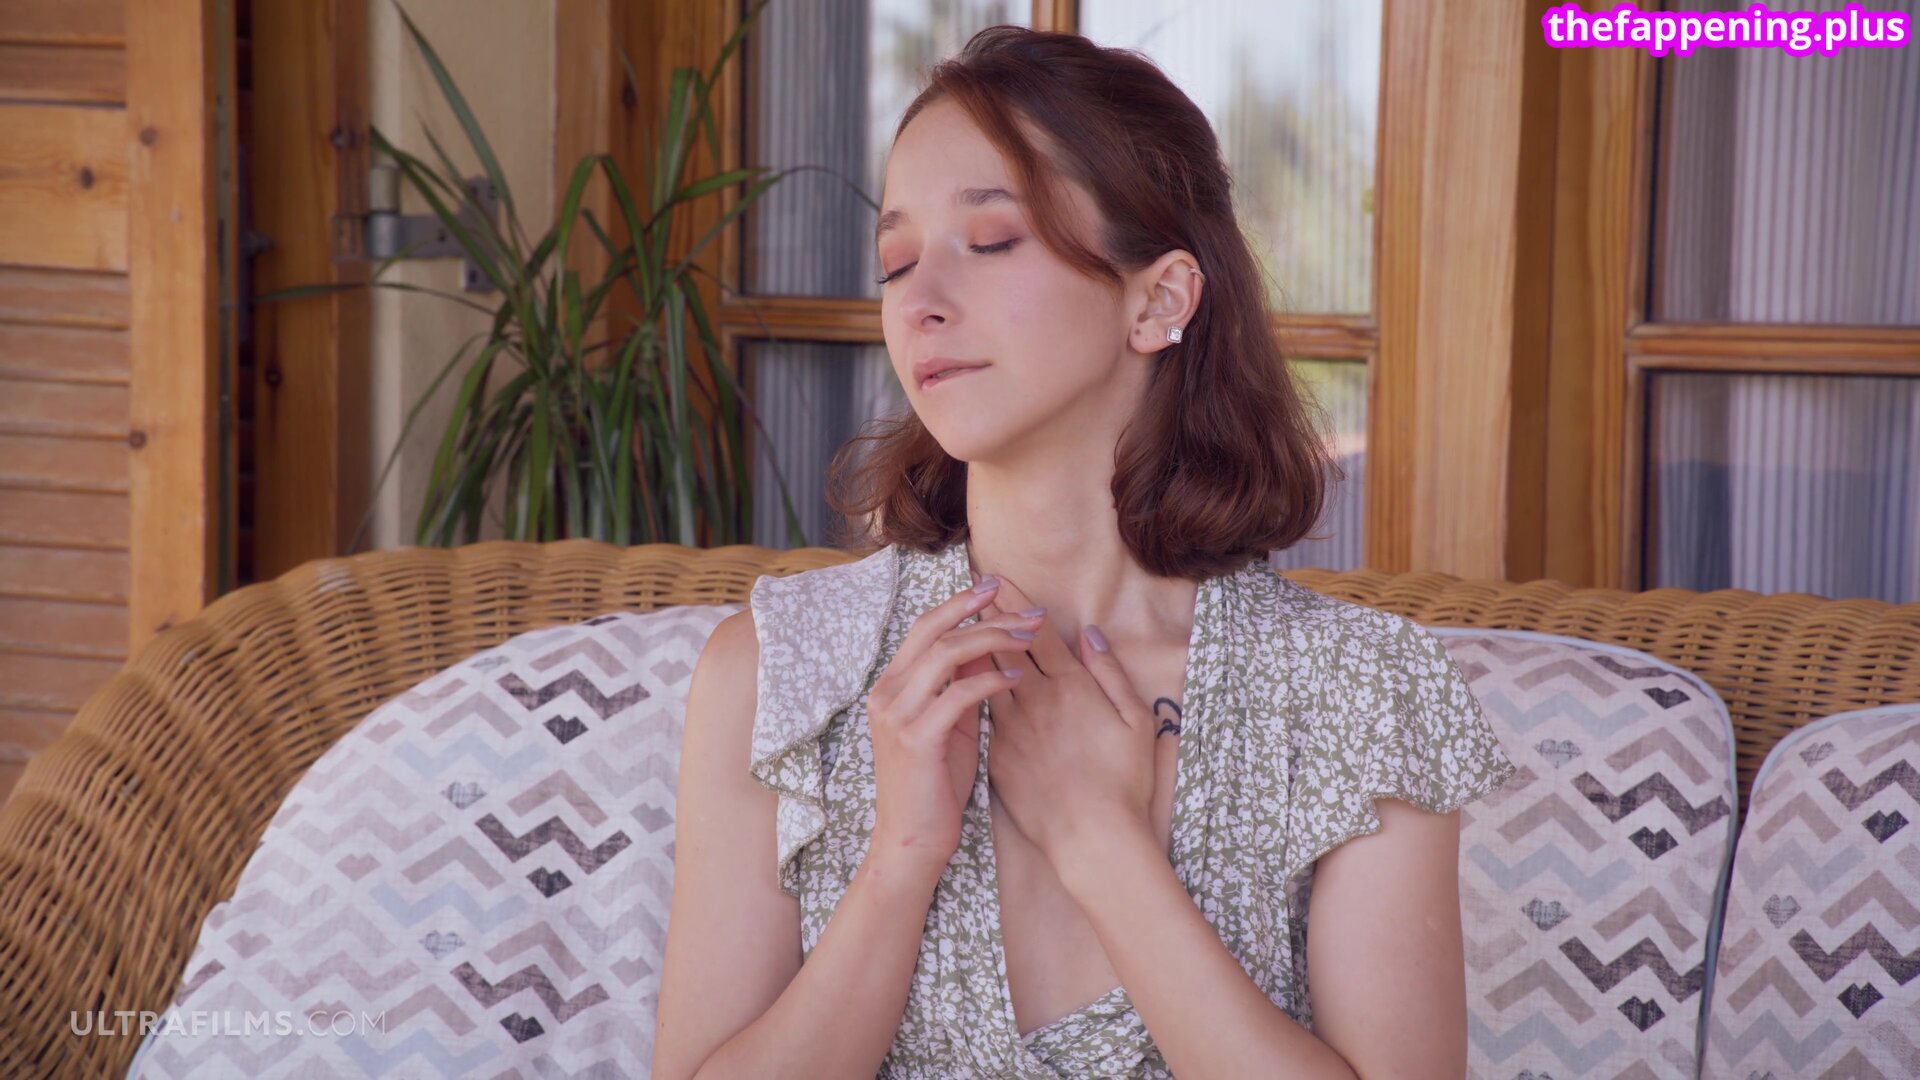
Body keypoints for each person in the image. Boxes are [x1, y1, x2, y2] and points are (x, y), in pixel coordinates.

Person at [650, 25, 1517, 1080]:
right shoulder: (780, 675)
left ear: (1158, 300)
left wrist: (1100, 842)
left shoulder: (1359, 693)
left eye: (992, 240)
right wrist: (900, 862)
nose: (919, 300)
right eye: (896, 261)